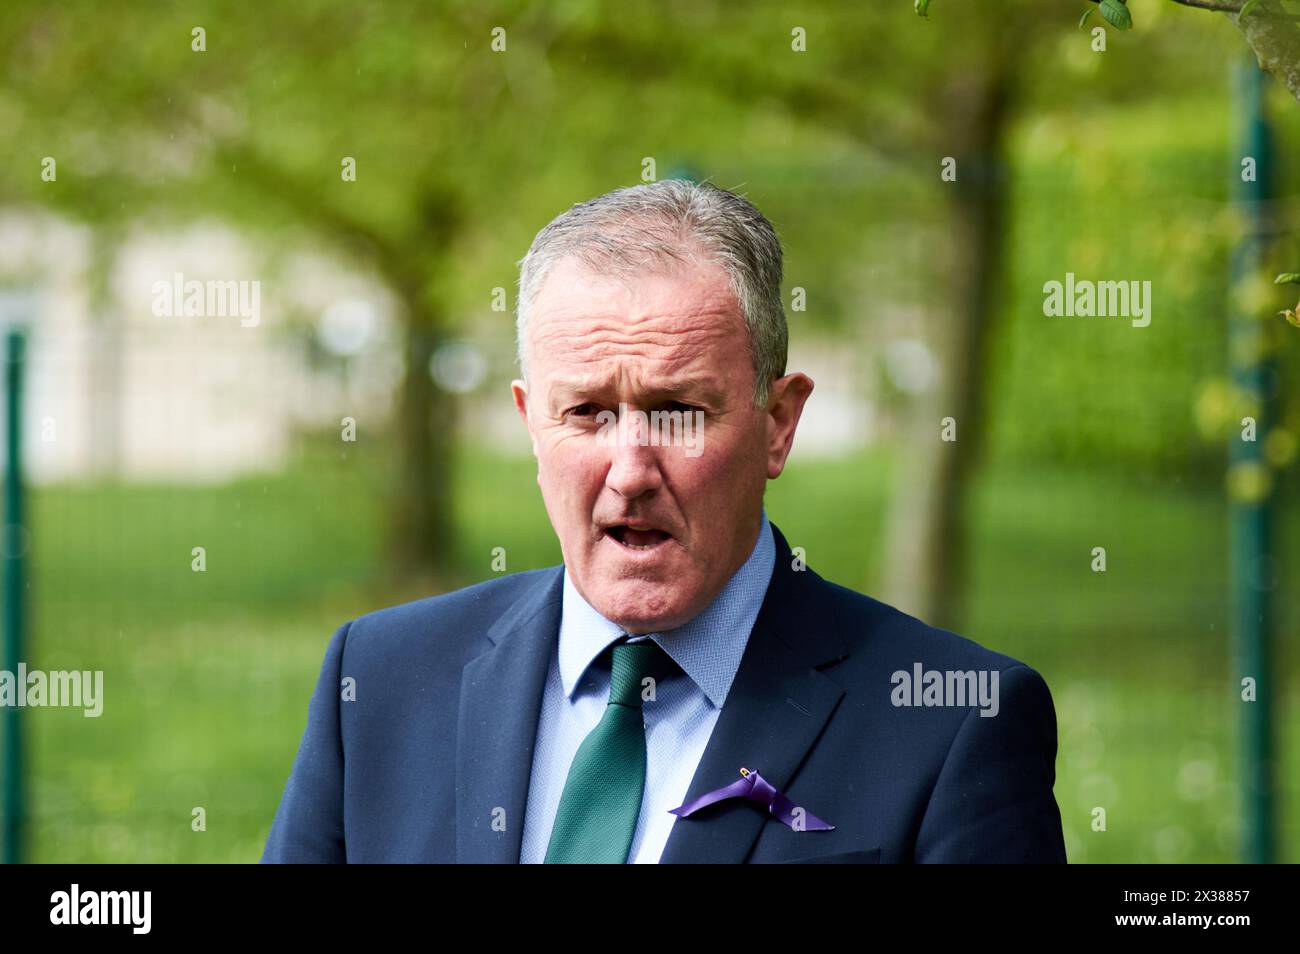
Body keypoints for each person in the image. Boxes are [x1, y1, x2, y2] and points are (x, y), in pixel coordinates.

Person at [262, 179, 1066, 863]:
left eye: (678, 412)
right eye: (586, 412)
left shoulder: (955, 724)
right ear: (528, 421)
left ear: (778, 424)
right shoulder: (378, 679)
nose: (631, 471)